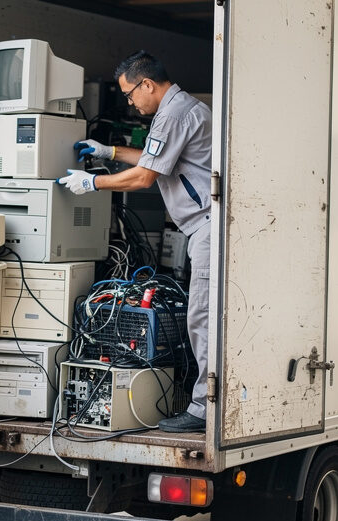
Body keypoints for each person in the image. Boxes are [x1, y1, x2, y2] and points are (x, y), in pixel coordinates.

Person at [58, 50, 211, 434]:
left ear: (147, 84)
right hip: (202, 228)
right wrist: (109, 152)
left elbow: (145, 177)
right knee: (201, 317)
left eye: (129, 94)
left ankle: (204, 410)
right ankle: (203, 402)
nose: (129, 102)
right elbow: (155, 159)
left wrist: (93, 182)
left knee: (203, 318)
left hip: (209, 225)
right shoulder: (177, 110)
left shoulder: (174, 113)